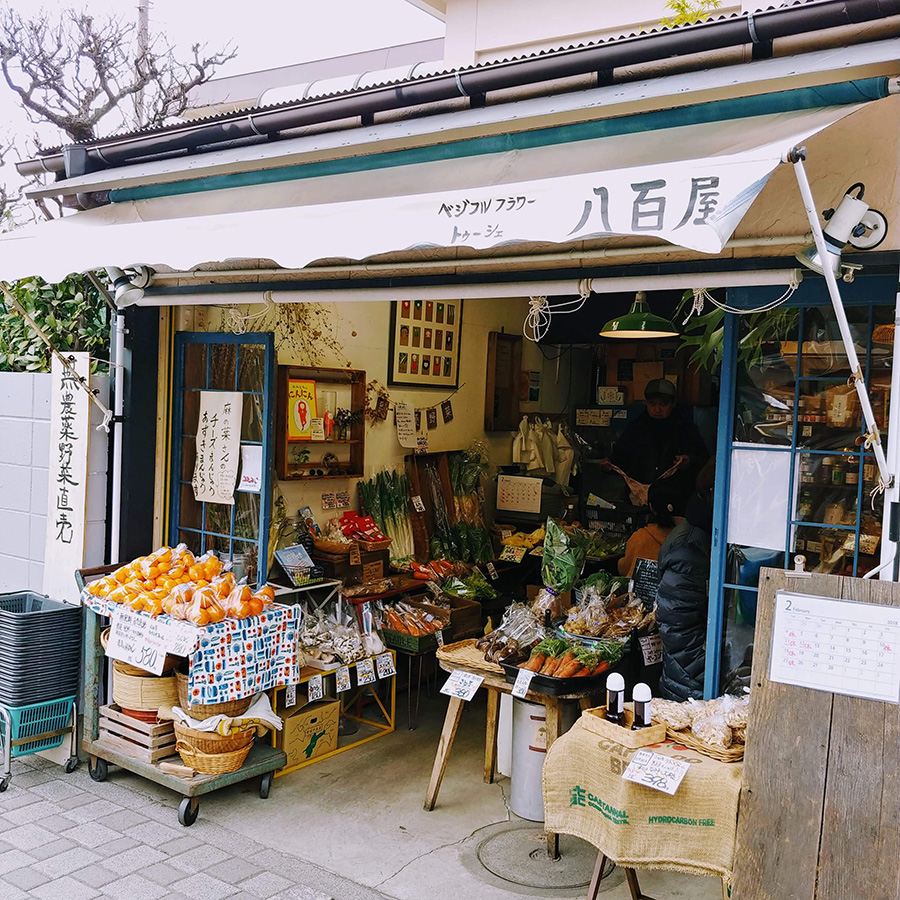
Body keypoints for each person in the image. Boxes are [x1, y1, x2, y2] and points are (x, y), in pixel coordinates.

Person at [655, 459, 716, 701]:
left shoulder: (706, 534)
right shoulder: (689, 547)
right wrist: (708, 673)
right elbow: (677, 625)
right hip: (692, 687)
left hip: (692, 680)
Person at [606, 378, 708, 514]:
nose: (657, 409)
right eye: (652, 404)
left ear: (673, 403)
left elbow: (704, 461)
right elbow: (619, 458)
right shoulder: (636, 428)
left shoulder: (686, 429)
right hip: (637, 501)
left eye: (663, 404)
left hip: (674, 502)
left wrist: (689, 461)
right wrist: (608, 465)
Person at [617, 479, 682, 578]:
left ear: (650, 506)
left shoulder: (639, 537)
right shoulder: (688, 537)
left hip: (640, 592)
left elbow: (624, 568)